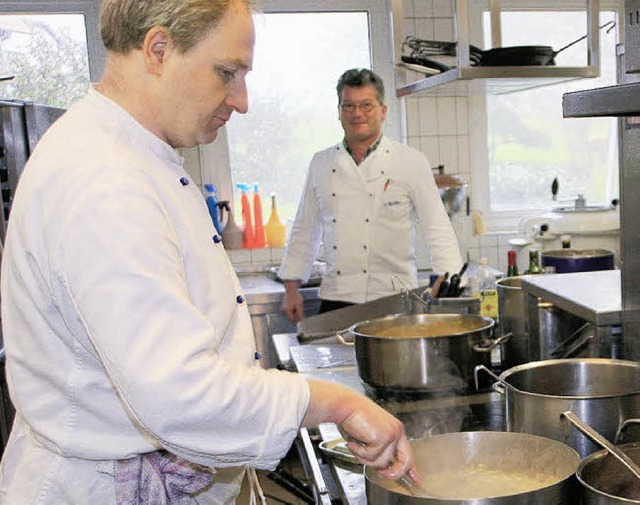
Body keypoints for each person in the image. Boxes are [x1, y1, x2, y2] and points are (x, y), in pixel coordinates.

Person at [0, 2, 420, 503]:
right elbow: (178, 393)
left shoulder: (135, 153)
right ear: (158, 49)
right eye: (227, 72)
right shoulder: (104, 180)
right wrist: (336, 402)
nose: (241, 100)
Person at [280, 68, 464, 322]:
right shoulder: (321, 163)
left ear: (383, 111)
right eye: (349, 106)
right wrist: (291, 289)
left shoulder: (410, 161)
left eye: (366, 105)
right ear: (339, 112)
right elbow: (305, 229)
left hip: (395, 299)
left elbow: (437, 227)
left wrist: (447, 282)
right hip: (337, 299)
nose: (357, 113)